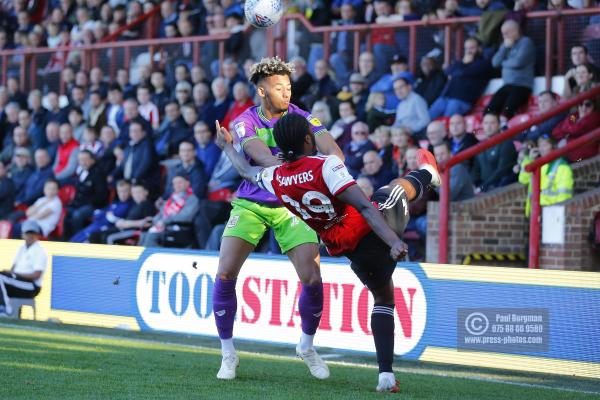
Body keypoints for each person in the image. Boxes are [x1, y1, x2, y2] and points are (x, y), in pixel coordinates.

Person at [216, 112, 441, 392]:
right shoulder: (326, 166)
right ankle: (428, 174)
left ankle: (386, 376)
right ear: (309, 140)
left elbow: (247, 171)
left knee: (383, 298)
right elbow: (365, 208)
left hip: (352, 252)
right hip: (375, 230)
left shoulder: (276, 177)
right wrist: (393, 240)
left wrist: (227, 146)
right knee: (392, 190)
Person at [211, 57, 343, 381]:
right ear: (261, 91)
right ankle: (228, 354)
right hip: (253, 202)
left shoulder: (302, 116)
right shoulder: (245, 122)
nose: (286, 93)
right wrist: (299, 165)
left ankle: (307, 346)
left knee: (312, 278)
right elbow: (264, 163)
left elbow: (336, 153)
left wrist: (321, 164)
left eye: (289, 87)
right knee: (225, 272)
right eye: (279, 88)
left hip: (293, 203)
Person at [486, 20, 535, 118]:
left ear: (515, 31)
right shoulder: (505, 45)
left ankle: (506, 131)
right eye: (503, 33)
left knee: (507, 111)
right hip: (507, 85)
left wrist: (503, 63)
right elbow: (495, 63)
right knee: (489, 110)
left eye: (506, 32)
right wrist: (504, 47)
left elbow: (517, 62)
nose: (504, 35)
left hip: (521, 86)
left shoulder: (526, 42)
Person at [518, 134, 573, 217]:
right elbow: (523, 179)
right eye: (539, 145)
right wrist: (529, 160)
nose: (541, 148)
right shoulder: (536, 165)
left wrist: (557, 214)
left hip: (552, 214)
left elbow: (564, 195)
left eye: (545, 145)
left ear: (553, 146)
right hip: (535, 213)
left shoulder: (562, 167)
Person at [0, 220, 47, 315]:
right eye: (28, 233)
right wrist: (10, 273)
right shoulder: (21, 248)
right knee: (2, 276)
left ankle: (5, 309)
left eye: (33, 233)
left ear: (38, 235)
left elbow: (36, 275)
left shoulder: (39, 251)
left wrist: (15, 274)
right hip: (18, 281)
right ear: (23, 234)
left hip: (31, 286)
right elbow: (13, 269)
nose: (30, 236)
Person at [471, 113, 517, 192]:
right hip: (484, 189)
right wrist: (473, 185)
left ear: (499, 125)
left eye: (492, 123)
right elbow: (476, 171)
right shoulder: (480, 146)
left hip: (500, 189)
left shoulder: (506, 143)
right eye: (486, 123)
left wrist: (482, 187)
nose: (488, 126)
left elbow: (502, 171)